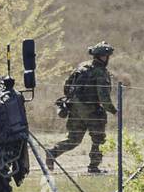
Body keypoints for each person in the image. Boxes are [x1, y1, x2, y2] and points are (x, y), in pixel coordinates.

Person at [47, 42, 118, 174]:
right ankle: (93, 166)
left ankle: (52, 152)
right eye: (106, 56)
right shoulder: (100, 72)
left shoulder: (82, 67)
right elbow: (104, 97)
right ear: (103, 57)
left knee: (74, 139)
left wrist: (75, 102)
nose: (107, 58)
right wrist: (113, 111)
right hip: (92, 111)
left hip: (75, 108)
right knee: (99, 139)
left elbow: (66, 87)